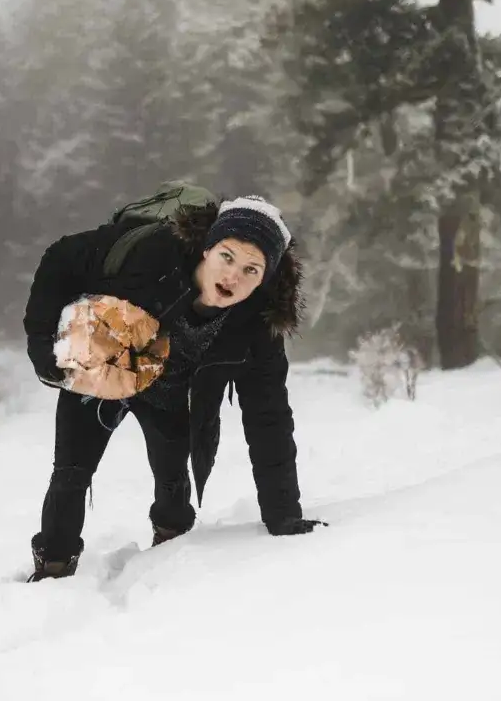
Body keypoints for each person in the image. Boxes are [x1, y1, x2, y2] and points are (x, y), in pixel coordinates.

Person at [23, 193, 324, 581]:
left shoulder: (256, 327)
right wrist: (41, 345)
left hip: (170, 394)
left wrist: (283, 515)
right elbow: (60, 257)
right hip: (104, 366)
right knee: (71, 473)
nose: (233, 276)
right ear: (207, 249)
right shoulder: (151, 255)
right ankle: (52, 567)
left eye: (252, 270)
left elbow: (269, 418)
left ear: (265, 279)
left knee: (172, 480)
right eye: (227, 257)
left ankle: (171, 549)